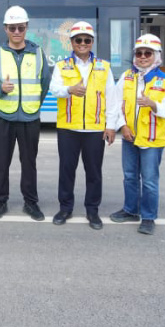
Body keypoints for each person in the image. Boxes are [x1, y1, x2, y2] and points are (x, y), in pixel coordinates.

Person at [49, 21, 118, 229]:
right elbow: (54, 89)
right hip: (68, 128)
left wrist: (111, 125)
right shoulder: (62, 66)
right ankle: (65, 208)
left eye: (86, 40)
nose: (82, 43)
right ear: (71, 42)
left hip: (95, 129)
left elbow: (112, 98)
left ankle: (92, 210)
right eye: (78, 40)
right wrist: (69, 89)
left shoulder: (104, 67)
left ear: (92, 42)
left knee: (94, 172)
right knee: (67, 171)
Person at [0, 6, 51, 221]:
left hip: (29, 118)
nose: (16, 31)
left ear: (26, 28)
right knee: (1, 162)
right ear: (5, 29)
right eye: (12, 27)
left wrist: (33, 106)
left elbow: (45, 83)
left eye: (20, 27)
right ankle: (0, 201)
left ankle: (31, 203)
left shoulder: (38, 52)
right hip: (3, 116)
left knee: (29, 162)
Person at [109, 34, 165, 235]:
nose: (142, 56)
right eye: (139, 53)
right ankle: (131, 210)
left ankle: (148, 217)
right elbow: (117, 103)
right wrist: (122, 126)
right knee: (130, 176)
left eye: (148, 53)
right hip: (130, 137)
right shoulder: (127, 77)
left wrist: (153, 104)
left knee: (149, 180)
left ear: (156, 56)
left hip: (152, 139)